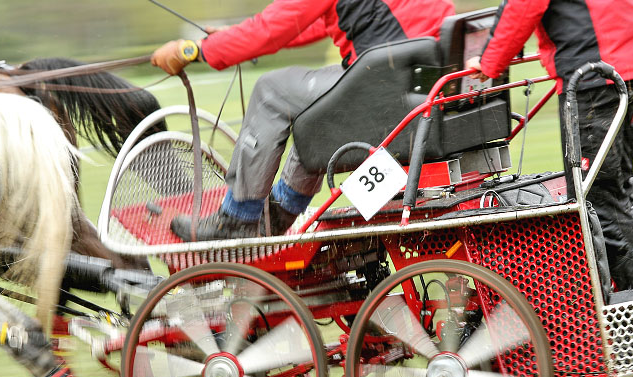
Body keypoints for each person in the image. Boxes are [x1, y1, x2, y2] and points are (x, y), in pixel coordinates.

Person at [151, 0, 456, 241]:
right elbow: (303, 21)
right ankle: (280, 212)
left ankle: (238, 217)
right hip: (418, 87)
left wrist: (193, 50)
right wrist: (232, 37)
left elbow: (271, 29)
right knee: (314, 105)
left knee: (271, 91)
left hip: (386, 90)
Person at [468, 0, 633, 292]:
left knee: (597, 202)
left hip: (595, 70)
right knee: (618, 193)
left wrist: (489, 61)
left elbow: (523, 5)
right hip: (630, 56)